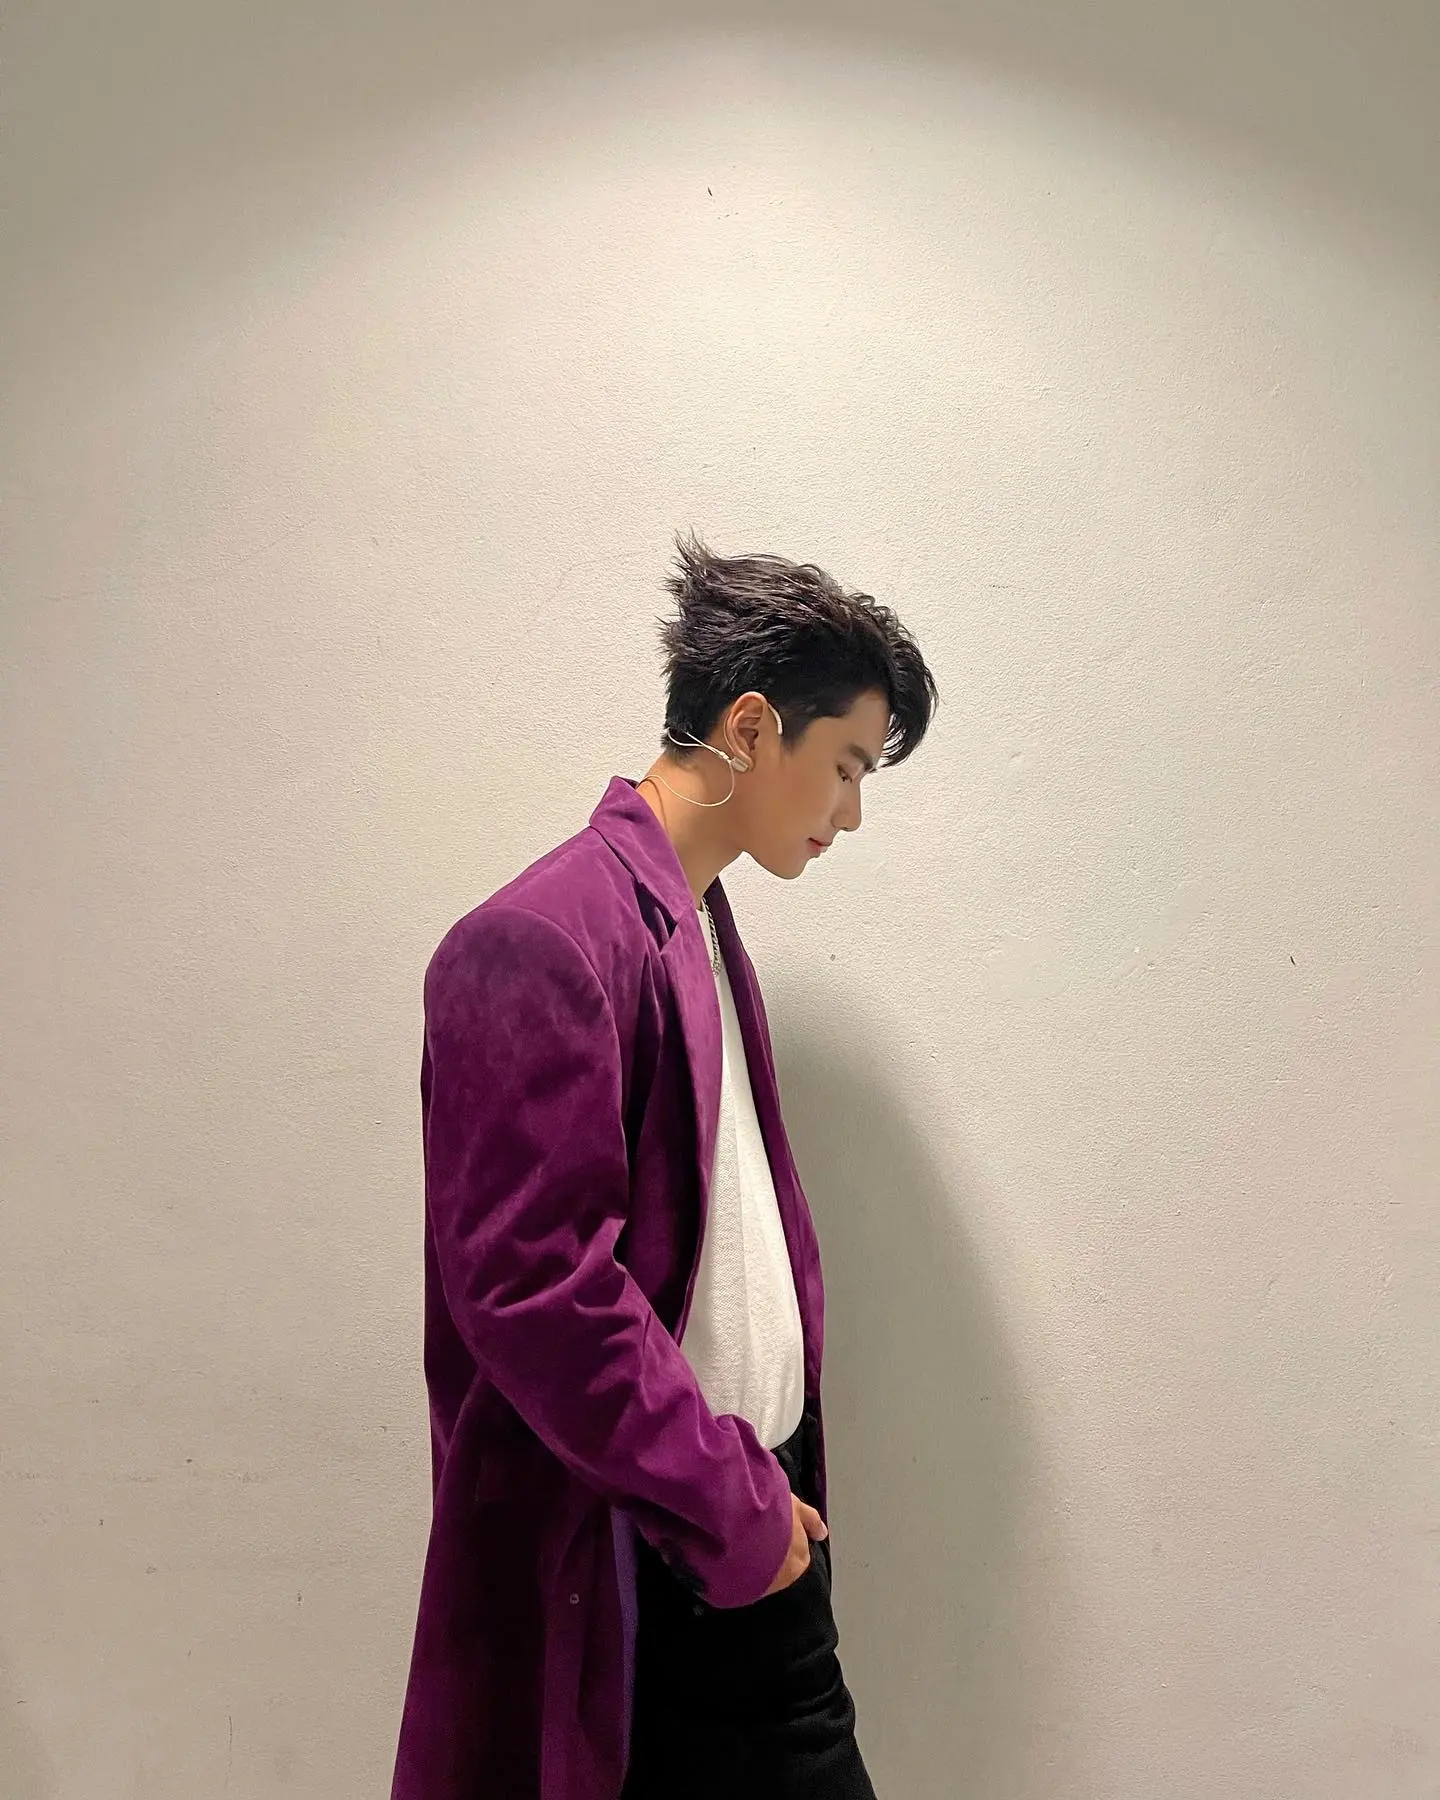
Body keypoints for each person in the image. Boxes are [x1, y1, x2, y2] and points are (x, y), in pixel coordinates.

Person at [390, 532, 938, 1800]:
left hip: (734, 1528)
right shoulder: (539, 939)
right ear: (751, 729)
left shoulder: (693, 918)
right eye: (846, 765)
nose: (852, 812)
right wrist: (736, 1509)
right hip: (653, 1557)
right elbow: (537, 1295)